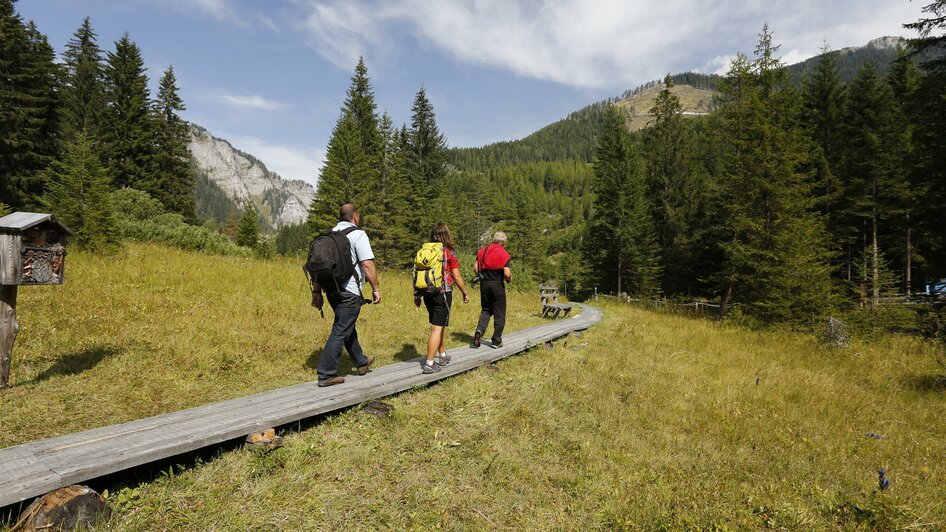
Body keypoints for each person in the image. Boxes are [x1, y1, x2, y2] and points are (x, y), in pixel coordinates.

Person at [310, 203, 381, 387]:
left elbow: (318, 267)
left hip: (331, 291)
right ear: (355, 216)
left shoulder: (329, 234)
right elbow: (367, 265)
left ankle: (361, 362)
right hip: (349, 291)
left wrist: (317, 292)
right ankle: (326, 374)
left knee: (346, 324)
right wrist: (375, 288)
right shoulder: (358, 234)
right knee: (341, 329)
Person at [414, 222, 470, 374]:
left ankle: (442, 354)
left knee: (438, 324)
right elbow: (456, 276)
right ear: (446, 235)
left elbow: (417, 272)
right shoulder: (449, 252)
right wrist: (465, 292)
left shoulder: (425, 250)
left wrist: (417, 294)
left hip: (426, 292)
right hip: (443, 293)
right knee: (437, 328)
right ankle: (429, 363)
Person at [472, 231, 512, 349]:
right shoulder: (504, 253)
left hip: (484, 284)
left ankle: (479, 330)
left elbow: (475, 267)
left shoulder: (482, 251)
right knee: (499, 313)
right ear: (502, 242)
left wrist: (482, 274)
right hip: (497, 285)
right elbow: (507, 273)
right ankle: (496, 340)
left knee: (486, 310)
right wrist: (509, 279)